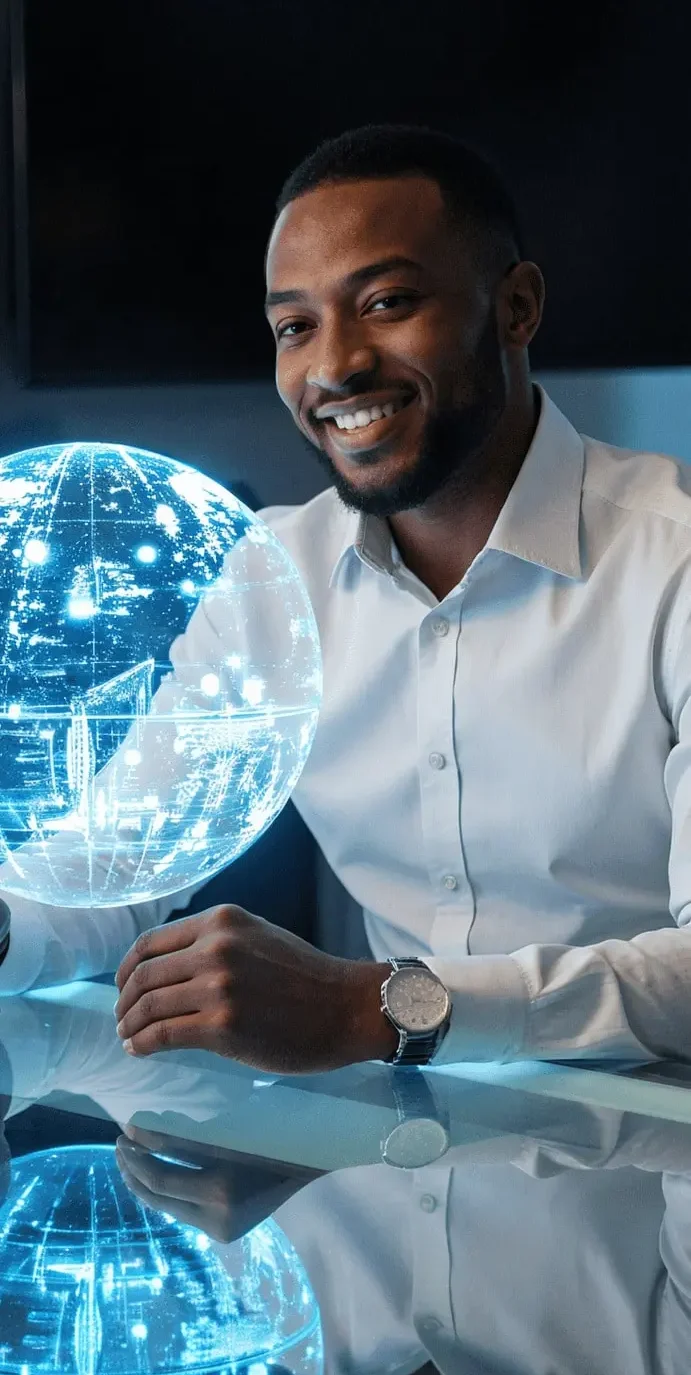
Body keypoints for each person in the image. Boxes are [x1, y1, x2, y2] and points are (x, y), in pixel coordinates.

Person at [3, 123, 691, 1074]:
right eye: (295, 326)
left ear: (517, 308)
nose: (335, 366)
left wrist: (371, 1010)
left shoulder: (675, 564)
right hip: (390, 1163)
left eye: (387, 302)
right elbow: (115, 874)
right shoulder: (271, 578)